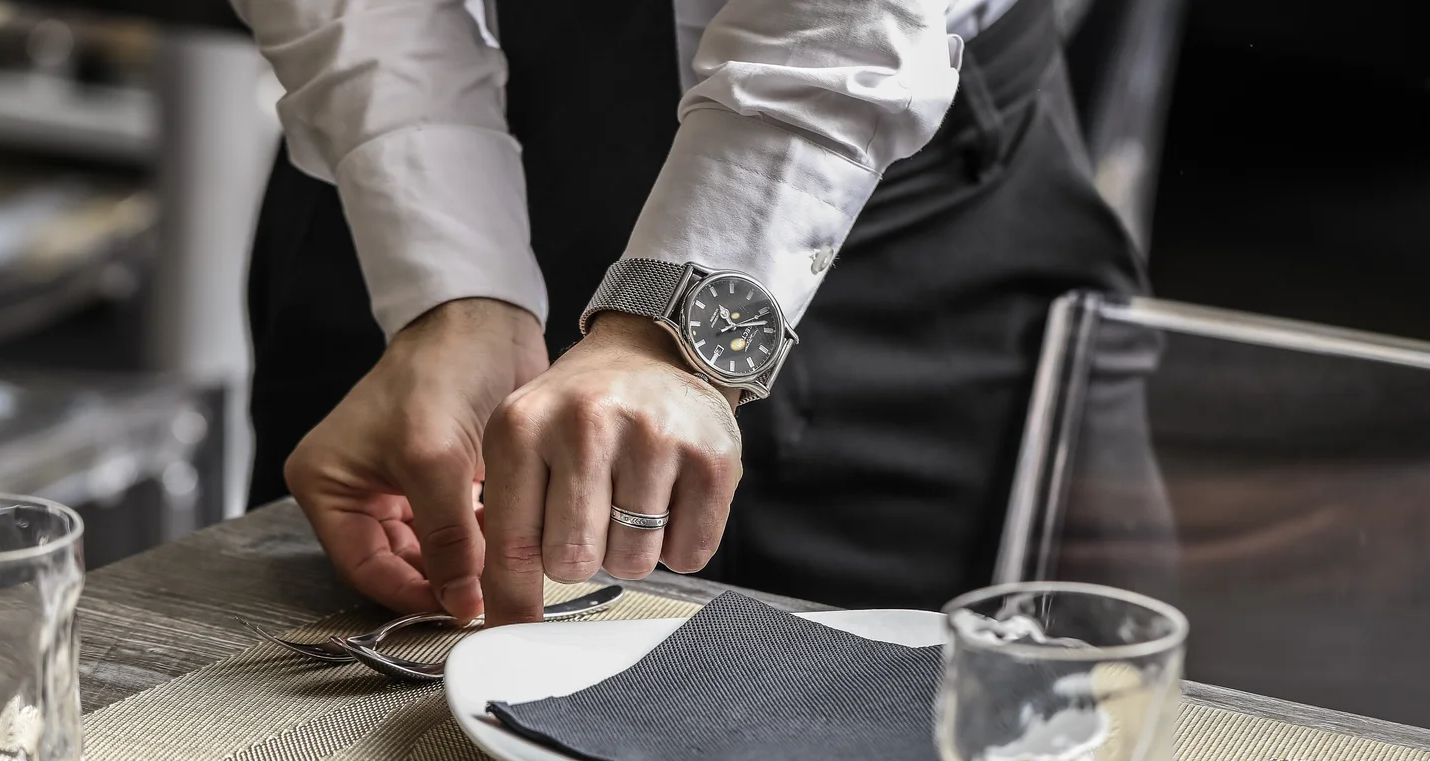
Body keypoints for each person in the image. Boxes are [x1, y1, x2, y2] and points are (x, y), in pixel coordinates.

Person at [236, 0, 1145, 625]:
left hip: (893, 195)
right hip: (394, 190)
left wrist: (670, 328)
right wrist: (447, 287)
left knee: (1022, 756)